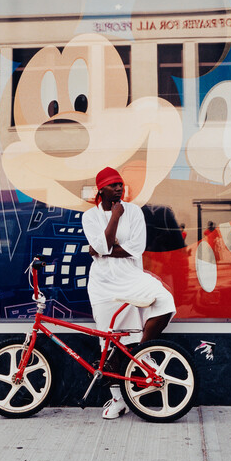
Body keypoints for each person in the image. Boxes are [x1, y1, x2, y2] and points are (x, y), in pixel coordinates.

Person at [82, 166, 176, 419]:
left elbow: (135, 248)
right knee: (109, 341)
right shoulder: (90, 217)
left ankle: (140, 355)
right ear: (101, 189)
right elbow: (101, 244)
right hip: (102, 284)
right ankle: (118, 400)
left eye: (120, 185)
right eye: (113, 185)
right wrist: (114, 218)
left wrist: (102, 249)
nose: (119, 189)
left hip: (132, 277)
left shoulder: (134, 212)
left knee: (165, 302)